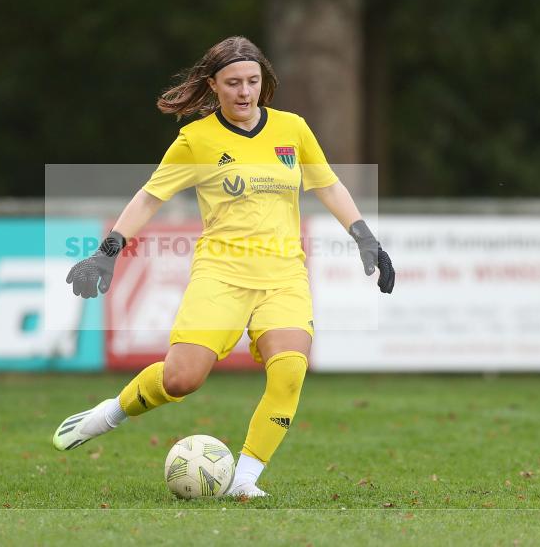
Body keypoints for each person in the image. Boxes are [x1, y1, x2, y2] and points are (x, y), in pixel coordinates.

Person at [53, 36, 395, 498]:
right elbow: (150, 196)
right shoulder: (197, 140)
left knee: (290, 369)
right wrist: (108, 250)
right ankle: (109, 413)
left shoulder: (292, 129)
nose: (244, 92)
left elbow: (329, 186)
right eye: (233, 82)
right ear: (213, 85)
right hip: (221, 275)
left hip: (283, 275)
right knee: (181, 379)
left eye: (253, 81)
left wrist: (365, 237)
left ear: (264, 83)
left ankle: (245, 480)